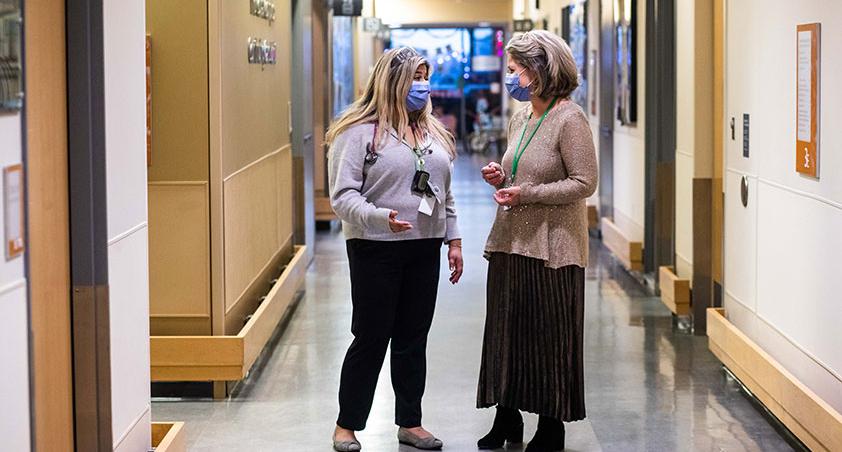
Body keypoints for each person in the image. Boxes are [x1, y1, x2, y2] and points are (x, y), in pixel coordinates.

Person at [326, 46, 464, 452]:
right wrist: (378, 216)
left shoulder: (433, 133)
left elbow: (445, 194)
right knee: (370, 337)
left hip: (424, 247)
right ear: (393, 81)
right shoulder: (358, 132)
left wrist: (453, 239)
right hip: (375, 247)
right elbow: (342, 196)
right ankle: (346, 426)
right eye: (415, 78)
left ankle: (410, 422)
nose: (423, 85)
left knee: (412, 338)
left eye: (426, 76)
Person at [476, 30, 598, 452]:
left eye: (514, 70)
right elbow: (521, 171)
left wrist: (527, 193)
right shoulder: (522, 116)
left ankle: (551, 426)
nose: (510, 78)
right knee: (507, 333)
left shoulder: (570, 118)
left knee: (550, 336)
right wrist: (501, 176)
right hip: (512, 241)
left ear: (539, 70)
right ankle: (506, 416)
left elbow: (584, 182)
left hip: (555, 249)